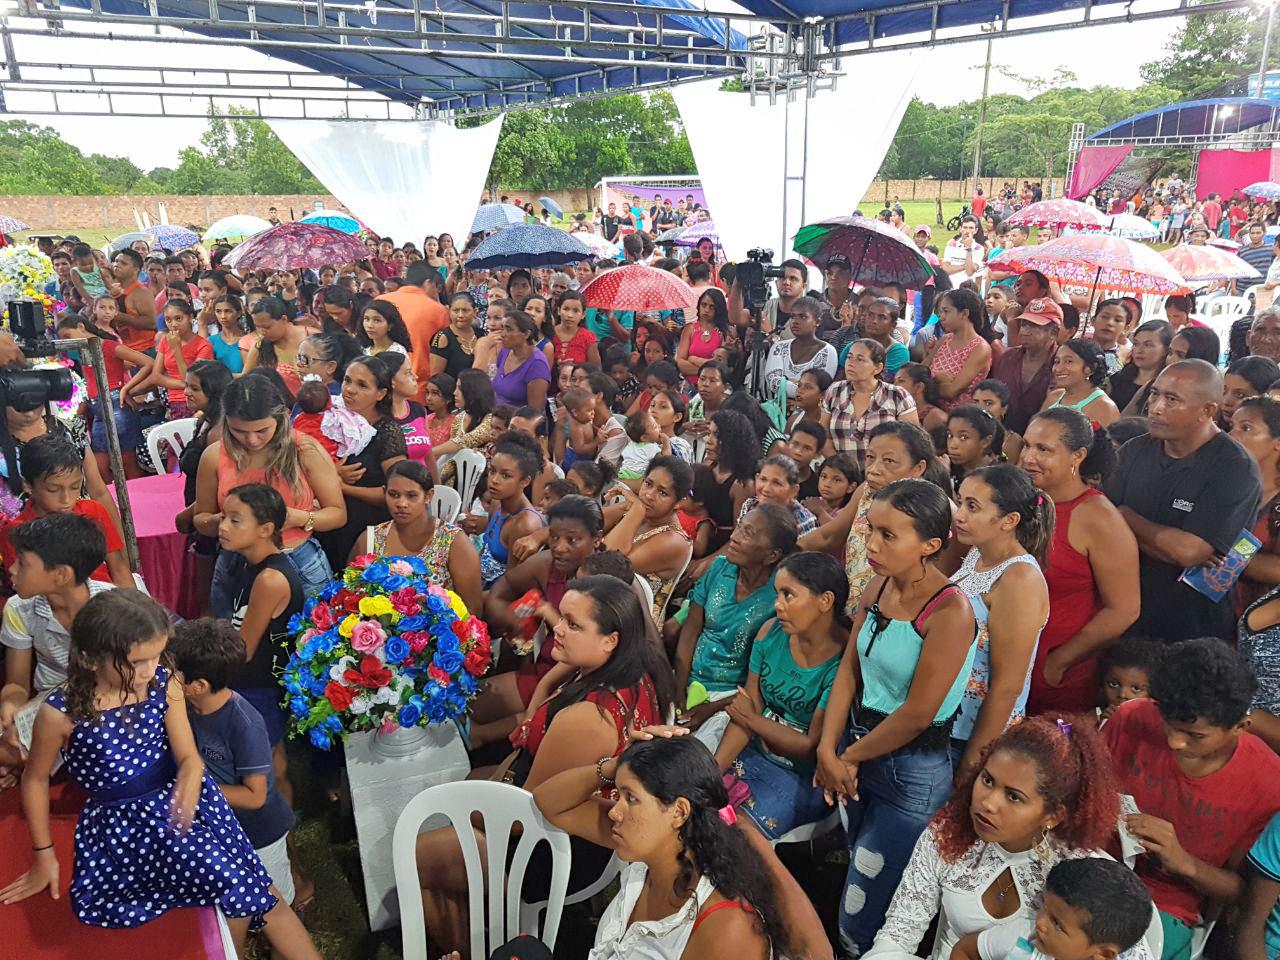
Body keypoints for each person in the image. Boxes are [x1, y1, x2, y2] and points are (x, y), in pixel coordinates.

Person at [0, 590, 318, 958]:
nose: (151, 670)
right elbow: (36, 779)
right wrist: (44, 855)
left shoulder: (163, 684)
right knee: (247, 894)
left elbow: (187, 755)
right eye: (137, 662)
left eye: (157, 657)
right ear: (89, 658)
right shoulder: (61, 715)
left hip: (185, 812)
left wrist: (190, 772)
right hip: (124, 831)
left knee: (256, 894)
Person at [414, 576, 675, 954]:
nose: (558, 628)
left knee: (417, 854)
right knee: (465, 786)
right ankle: (475, 916)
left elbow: (523, 818)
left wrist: (471, 809)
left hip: (548, 852)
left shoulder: (587, 719)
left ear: (610, 640)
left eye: (573, 624)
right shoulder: (634, 672)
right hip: (576, 829)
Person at [816, 478, 979, 957]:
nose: (873, 544)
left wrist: (845, 756)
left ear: (930, 545)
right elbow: (849, 669)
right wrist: (830, 749)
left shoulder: (949, 612)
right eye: (872, 530)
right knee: (856, 871)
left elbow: (918, 713)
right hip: (858, 750)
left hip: (911, 770)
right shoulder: (878, 585)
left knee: (869, 898)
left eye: (889, 535)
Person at [862, 717, 1126, 960]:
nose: (987, 803)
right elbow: (897, 935)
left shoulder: (1082, 872)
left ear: (1053, 816)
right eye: (987, 780)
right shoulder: (947, 833)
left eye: (1013, 797)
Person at [533, 735, 788, 960]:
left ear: (678, 812)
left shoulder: (725, 927)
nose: (615, 813)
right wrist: (616, 766)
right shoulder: (654, 851)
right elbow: (548, 802)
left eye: (631, 798)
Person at [1104, 638, 1280, 960]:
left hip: (1165, 906)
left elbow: (1243, 893)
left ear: (1241, 726)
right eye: (1168, 724)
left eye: (1194, 735)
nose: (1175, 742)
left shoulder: (1268, 784)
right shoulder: (1132, 718)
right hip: (1094, 866)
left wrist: (1184, 862)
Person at [1105, 360, 1263, 641]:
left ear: (1207, 410)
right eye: (1155, 394)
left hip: (1190, 625)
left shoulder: (1235, 467)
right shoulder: (1134, 450)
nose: (1155, 407)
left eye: (1172, 399)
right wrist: (1167, 544)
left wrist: (1126, 516)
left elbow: (1191, 552)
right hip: (1124, 608)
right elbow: (1103, 523)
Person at [713, 551, 845, 839]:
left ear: (825, 601)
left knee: (737, 835)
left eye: (788, 595)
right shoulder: (770, 633)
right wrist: (711, 773)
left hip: (799, 777)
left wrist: (752, 719)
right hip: (752, 754)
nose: (778, 605)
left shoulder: (841, 667)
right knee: (699, 807)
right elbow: (747, 710)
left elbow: (810, 745)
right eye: (777, 594)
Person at [170, 618, 300, 906]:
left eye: (173, 673)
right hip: (225, 826)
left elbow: (255, 796)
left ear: (198, 685)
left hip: (259, 832)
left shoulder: (243, 723)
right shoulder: (187, 708)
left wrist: (192, 789)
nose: (167, 678)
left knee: (276, 903)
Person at [193, 376, 345, 618]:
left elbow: (337, 514)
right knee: (233, 642)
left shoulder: (305, 450)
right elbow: (200, 518)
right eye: (239, 431)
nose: (252, 440)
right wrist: (225, 521)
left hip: (298, 559)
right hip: (236, 563)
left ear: (282, 416)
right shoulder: (214, 456)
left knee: (309, 641)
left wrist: (297, 518)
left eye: (262, 430)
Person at [1020, 409, 1140, 713]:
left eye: (1043, 449)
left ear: (1078, 456)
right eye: (1026, 445)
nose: (1028, 458)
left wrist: (1057, 663)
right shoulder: (1023, 500)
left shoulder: (1098, 517)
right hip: (1001, 658)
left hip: (1053, 674)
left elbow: (1124, 609)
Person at [472, 495, 605, 746]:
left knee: (481, 723)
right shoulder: (548, 565)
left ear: (596, 539)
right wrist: (515, 620)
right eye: (553, 537)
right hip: (545, 671)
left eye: (572, 540)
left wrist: (547, 613)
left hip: (585, 686)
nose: (559, 547)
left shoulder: (610, 580)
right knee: (470, 703)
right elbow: (501, 592)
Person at [949, 465, 1053, 778]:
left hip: (973, 732)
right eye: (961, 501)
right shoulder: (976, 555)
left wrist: (973, 762)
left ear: (1009, 521)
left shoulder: (1019, 578)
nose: (959, 515)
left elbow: (1008, 686)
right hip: (950, 720)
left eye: (973, 507)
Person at [0, 514, 112, 787]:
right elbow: (16, 683)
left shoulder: (114, 608)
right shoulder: (18, 608)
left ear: (61, 574)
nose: (11, 570)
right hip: (46, 704)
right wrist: (11, 707)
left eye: (23, 563)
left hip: (103, 708)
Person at [674, 503, 797, 728]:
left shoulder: (777, 598)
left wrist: (710, 709)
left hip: (733, 698)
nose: (734, 536)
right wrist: (678, 690)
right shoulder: (719, 569)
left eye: (747, 533)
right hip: (688, 681)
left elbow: (761, 680)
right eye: (739, 526)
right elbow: (690, 633)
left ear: (772, 555)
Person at [0, 435, 133, 589]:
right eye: (53, 489)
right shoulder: (16, 533)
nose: (67, 499)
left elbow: (119, 569)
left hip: (108, 601)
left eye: (75, 487)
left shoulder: (93, 512)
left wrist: (131, 609)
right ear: (28, 485)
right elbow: (27, 589)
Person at [349, 458, 481, 612]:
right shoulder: (370, 539)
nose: (401, 504)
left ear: (428, 496)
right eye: (394, 495)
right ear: (384, 493)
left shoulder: (453, 542)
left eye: (411, 496)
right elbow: (350, 597)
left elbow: (473, 610)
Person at [317, 355, 407, 566]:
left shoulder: (387, 432)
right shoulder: (332, 421)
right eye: (347, 381)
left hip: (366, 531)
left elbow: (396, 492)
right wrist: (332, 472)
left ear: (381, 393)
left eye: (362, 385)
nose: (349, 390)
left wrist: (343, 487)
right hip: (329, 522)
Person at [55, 312, 148, 480]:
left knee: (128, 462)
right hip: (98, 409)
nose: (66, 343)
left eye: (67, 337)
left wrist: (127, 388)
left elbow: (148, 362)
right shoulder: (85, 352)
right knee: (99, 467)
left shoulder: (108, 346)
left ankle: (136, 502)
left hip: (115, 405)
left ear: (81, 327)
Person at [604, 456, 693, 621]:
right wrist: (628, 507)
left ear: (678, 503)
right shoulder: (643, 513)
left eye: (662, 492)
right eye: (648, 484)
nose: (649, 495)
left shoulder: (674, 541)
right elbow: (586, 523)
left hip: (633, 625)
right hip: (609, 606)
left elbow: (606, 564)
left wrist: (636, 510)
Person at [821, 339, 919, 466]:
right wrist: (842, 468)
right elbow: (824, 435)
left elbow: (911, 442)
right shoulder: (835, 391)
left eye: (860, 359)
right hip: (841, 474)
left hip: (884, 472)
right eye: (849, 357)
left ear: (878, 368)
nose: (851, 363)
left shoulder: (897, 396)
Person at [122, 298, 214, 421]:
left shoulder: (203, 345)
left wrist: (176, 350)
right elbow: (156, 376)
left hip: (195, 403)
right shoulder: (165, 341)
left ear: (191, 317)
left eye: (179, 319)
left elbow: (192, 379)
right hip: (173, 402)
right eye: (168, 320)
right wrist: (185, 385)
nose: (173, 324)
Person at [475, 431, 546, 588]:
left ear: (525, 481)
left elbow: (510, 586)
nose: (494, 480)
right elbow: (485, 551)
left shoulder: (524, 524)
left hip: (494, 599)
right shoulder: (496, 503)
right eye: (492, 471)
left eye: (505, 476)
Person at [1233, 396, 1280, 614]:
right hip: (1207, 615)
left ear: (1277, 442)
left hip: (1258, 625)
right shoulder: (1223, 485)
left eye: (1246, 428)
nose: (1233, 436)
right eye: (1232, 427)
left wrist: (1226, 557)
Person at [378, 260, 448, 403]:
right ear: (428, 283)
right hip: (417, 390)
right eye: (436, 288)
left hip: (379, 385)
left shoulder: (380, 301)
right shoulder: (437, 310)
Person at [927, 288, 993, 411]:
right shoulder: (945, 340)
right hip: (931, 411)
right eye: (940, 312)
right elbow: (919, 372)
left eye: (946, 311)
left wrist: (927, 384)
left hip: (957, 419)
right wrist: (937, 376)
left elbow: (952, 392)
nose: (941, 317)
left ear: (964, 313)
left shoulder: (980, 348)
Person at [761, 296, 837, 400]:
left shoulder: (828, 352)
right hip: (777, 412)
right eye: (792, 316)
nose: (795, 321)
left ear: (817, 322)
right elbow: (773, 383)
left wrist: (785, 382)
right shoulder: (778, 347)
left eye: (803, 317)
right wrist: (801, 387)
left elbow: (817, 389)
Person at [1041, 339, 1120, 428]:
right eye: (1057, 362)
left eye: (1068, 361)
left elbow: (1106, 441)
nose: (1058, 369)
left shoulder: (1104, 407)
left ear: (1090, 368)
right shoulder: (1054, 396)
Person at [735, 453, 818, 534]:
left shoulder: (803, 521)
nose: (766, 489)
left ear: (793, 490)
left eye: (776, 483)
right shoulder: (750, 505)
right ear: (756, 478)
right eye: (763, 479)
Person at [243, 296, 309, 396]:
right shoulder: (260, 346)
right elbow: (245, 378)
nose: (262, 331)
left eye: (267, 327)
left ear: (284, 319)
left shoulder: (310, 337)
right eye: (258, 327)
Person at [430, 368, 497, 462]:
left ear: (473, 391)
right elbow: (450, 455)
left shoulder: (491, 418)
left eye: (460, 389)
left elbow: (465, 441)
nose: (454, 393)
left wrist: (429, 452)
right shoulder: (459, 418)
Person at [1110, 320, 1173, 415]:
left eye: (1148, 345)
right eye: (1136, 344)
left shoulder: (1166, 387)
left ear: (1166, 349)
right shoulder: (1118, 378)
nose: (1139, 350)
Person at [492, 310, 551, 409]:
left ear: (526, 334)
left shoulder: (537, 364)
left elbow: (535, 413)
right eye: (502, 328)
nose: (502, 334)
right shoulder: (505, 351)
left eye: (509, 329)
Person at [678, 289, 730, 387]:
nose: (706, 310)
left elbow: (721, 367)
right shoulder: (690, 329)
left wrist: (693, 359)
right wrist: (708, 369)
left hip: (713, 387)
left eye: (712, 307)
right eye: (704, 305)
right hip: (689, 386)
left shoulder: (724, 332)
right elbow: (680, 363)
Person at [422, 372, 456, 449]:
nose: (428, 398)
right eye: (427, 392)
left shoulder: (455, 423)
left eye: (435, 393)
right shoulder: (426, 419)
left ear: (448, 398)